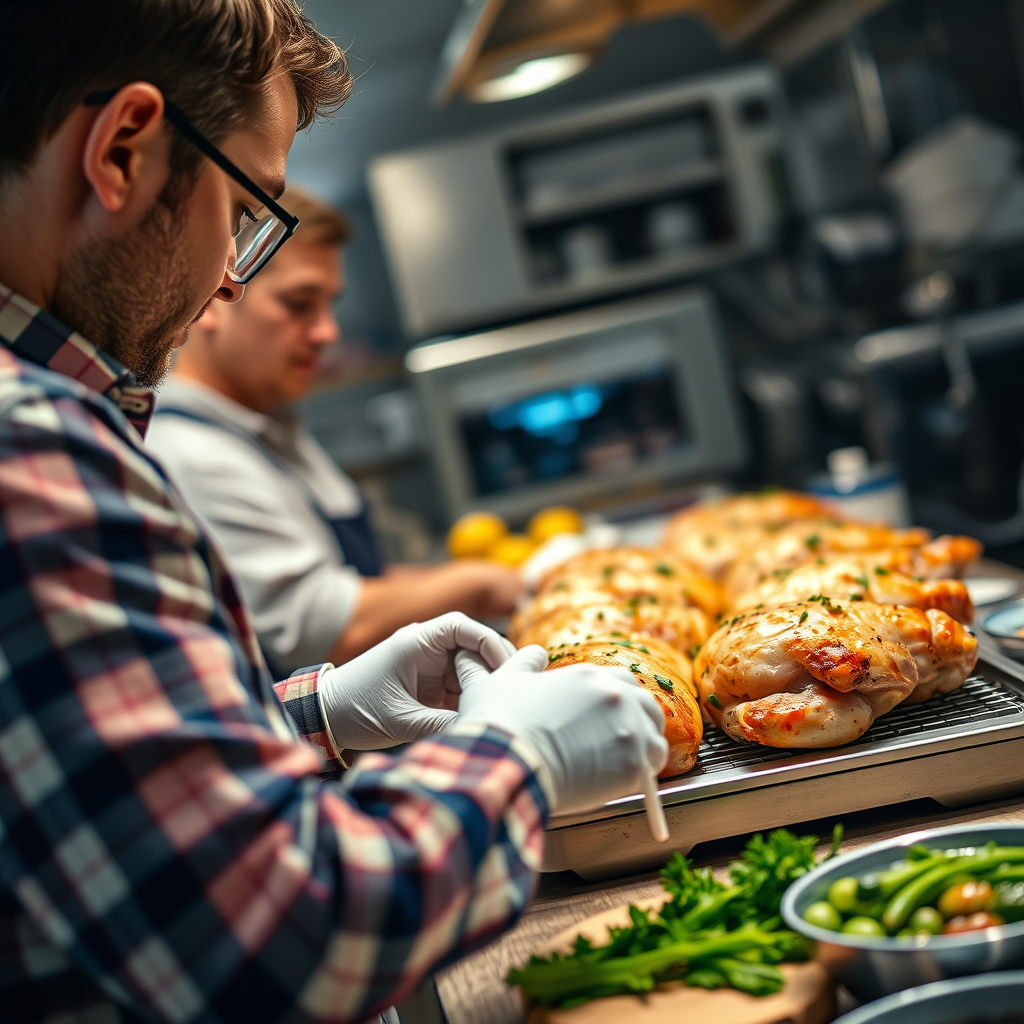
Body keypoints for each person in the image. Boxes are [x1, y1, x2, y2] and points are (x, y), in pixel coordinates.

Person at [0, 3, 668, 1023]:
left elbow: (67, 788)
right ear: (125, 150)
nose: (231, 272)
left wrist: (317, 714)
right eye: (248, 211)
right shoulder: (30, 449)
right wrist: (517, 759)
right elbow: (284, 945)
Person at [146, 188, 521, 673]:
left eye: (327, 306)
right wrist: (481, 583)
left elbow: (362, 580)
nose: (327, 333)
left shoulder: (268, 425)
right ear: (216, 297)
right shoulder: (191, 454)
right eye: (299, 304)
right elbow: (324, 629)